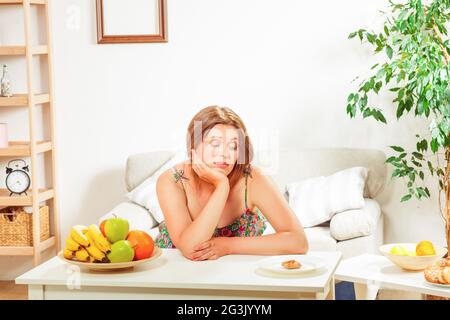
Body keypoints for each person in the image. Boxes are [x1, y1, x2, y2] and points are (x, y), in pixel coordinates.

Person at [155, 105, 308, 261]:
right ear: (193, 145)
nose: (224, 154)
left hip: (238, 277)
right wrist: (221, 187)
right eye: (215, 144)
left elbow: (298, 242)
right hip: (175, 274)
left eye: (233, 146)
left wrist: (227, 246)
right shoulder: (173, 180)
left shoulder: (252, 179)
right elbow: (192, 249)